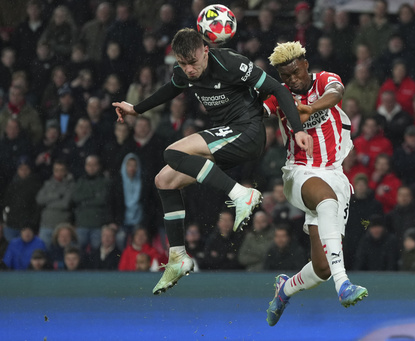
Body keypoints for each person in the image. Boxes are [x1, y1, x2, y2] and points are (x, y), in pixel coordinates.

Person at [112, 28, 311, 295]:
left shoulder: (231, 62)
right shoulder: (185, 72)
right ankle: (178, 257)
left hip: (248, 132)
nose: (189, 69)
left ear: (205, 50)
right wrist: (135, 109)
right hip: (226, 140)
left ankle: (241, 194)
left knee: (172, 152)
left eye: (193, 62)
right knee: (164, 181)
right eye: (182, 64)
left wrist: (297, 129)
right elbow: (171, 89)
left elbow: (277, 88)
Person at [263, 41, 367, 327]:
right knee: (325, 198)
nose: (292, 80)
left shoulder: (324, 80)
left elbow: (337, 93)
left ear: (306, 65)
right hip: (300, 172)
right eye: (285, 77)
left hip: (335, 174)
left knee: (321, 268)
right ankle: (343, 285)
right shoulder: (279, 95)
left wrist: (309, 108)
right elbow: (259, 112)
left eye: (296, 72)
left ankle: (284, 289)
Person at [35, 160, 75, 248]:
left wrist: (47, 203)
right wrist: (57, 196)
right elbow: (39, 199)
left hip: (62, 225)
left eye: (61, 170)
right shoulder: (47, 183)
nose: (59, 173)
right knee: (43, 252)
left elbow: (65, 204)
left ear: (66, 171)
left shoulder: (71, 185)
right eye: (56, 170)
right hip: (46, 224)